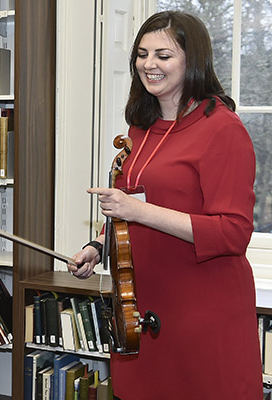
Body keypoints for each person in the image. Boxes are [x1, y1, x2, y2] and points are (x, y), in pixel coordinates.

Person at [68, 11, 261, 399]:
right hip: (142, 310)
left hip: (203, 314)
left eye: (163, 55)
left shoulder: (224, 129)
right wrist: (98, 246)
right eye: (142, 54)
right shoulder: (141, 127)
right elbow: (131, 204)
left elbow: (233, 232)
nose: (149, 64)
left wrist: (138, 212)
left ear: (193, 60)